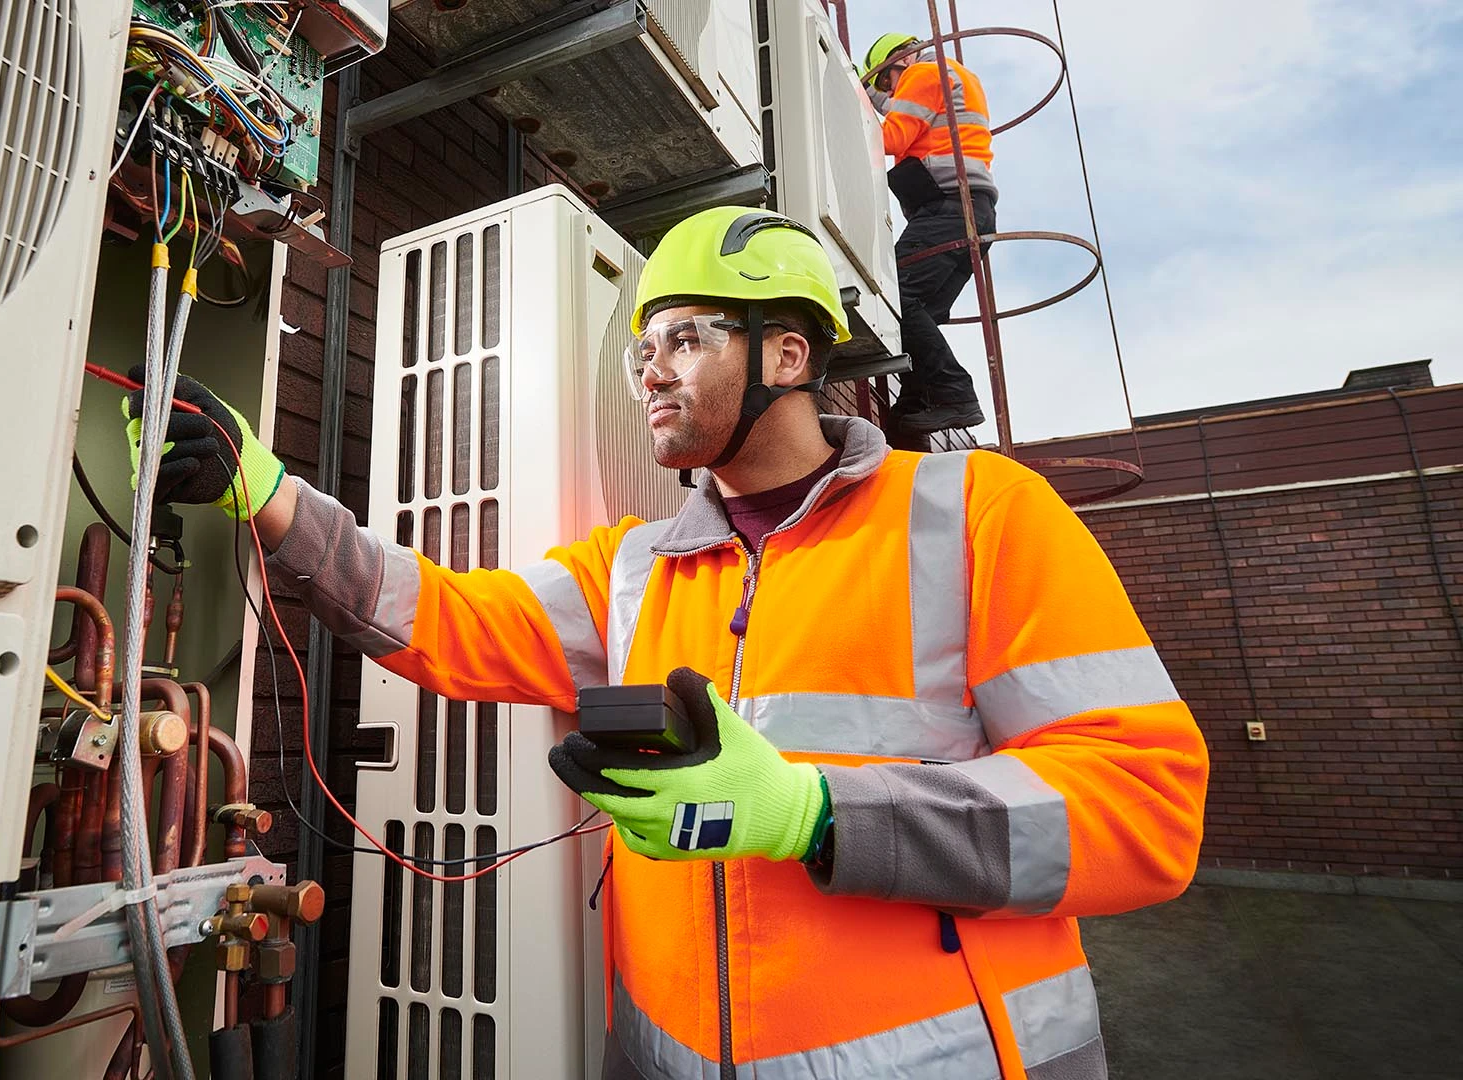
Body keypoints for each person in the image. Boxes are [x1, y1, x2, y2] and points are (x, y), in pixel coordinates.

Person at [131, 205, 1209, 1080]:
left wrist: (817, 813)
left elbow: (1144, 808)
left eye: (685, 337)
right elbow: (451, 617)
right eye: (644, 346)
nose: (648, 369)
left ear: (789, 353)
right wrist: (267, 493)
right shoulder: (638, 565)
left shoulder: (975, 514)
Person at [863, 32, 995, 437]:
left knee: (896, 294)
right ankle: (917, 401)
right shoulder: (950, 76)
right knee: (925, 313)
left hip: (948, 209)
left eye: (885, 80)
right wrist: (867, 92)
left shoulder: (922, 72)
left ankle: (955, 393)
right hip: (974, 212)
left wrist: (857, 97)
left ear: (897, 62)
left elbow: (891, 137)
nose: (889, 91)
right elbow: (902, 111)